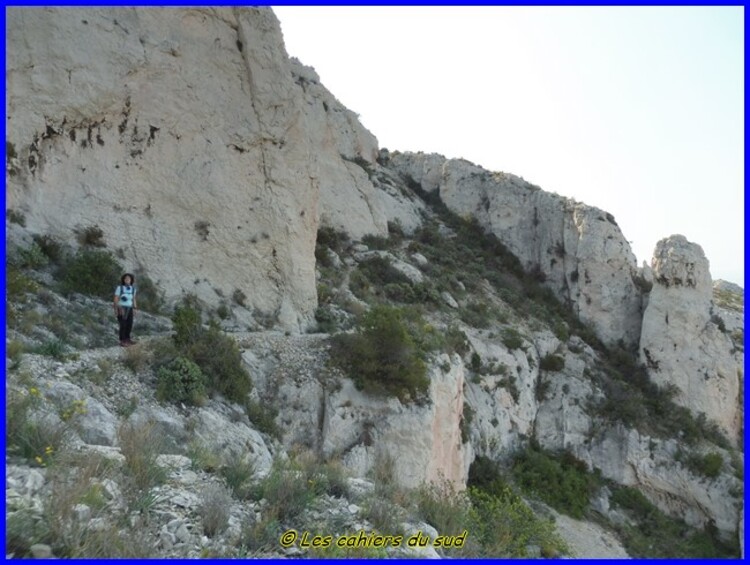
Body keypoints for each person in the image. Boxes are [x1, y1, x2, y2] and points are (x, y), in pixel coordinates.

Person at [114, 273, 138, 347]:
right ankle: (122, 340)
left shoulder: (133, 289)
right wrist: (116, 308)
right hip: (121, 308)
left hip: (129, 308)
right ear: (123, 280)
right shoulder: (120, 288)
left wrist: (135, 308)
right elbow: (116, 298)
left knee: (129, 324)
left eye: (129, 279)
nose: (127, 280)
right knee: (123, 324)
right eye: (126, 278)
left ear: (131, 280)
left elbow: (134, 299)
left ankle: (128, 339)